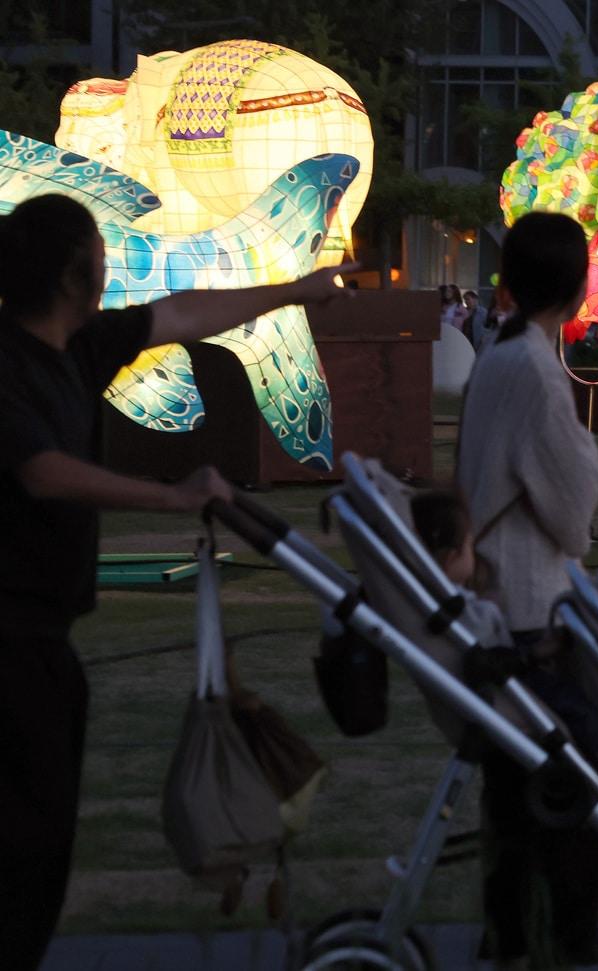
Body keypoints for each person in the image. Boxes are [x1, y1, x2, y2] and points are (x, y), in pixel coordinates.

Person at [0, 193, 353, 971]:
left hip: (46, 645)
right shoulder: (7, 366)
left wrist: (294, 291)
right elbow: (42, 472)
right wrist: (176, 496)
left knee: (45, 844)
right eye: (98, 254)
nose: (106, 268)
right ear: (74, 272)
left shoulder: (79, 347)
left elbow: (182, 313)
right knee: (19, 847)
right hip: (8, 650)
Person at [455, 211, 598, 968]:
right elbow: (574, 516)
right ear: (581, 287)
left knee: (516, 811)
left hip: (502, 604)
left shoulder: (499, 353)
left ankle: (514, 939)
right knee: (576, 800)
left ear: (507, 282)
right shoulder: (537, 376)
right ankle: (566, 940)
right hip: (527, 613)